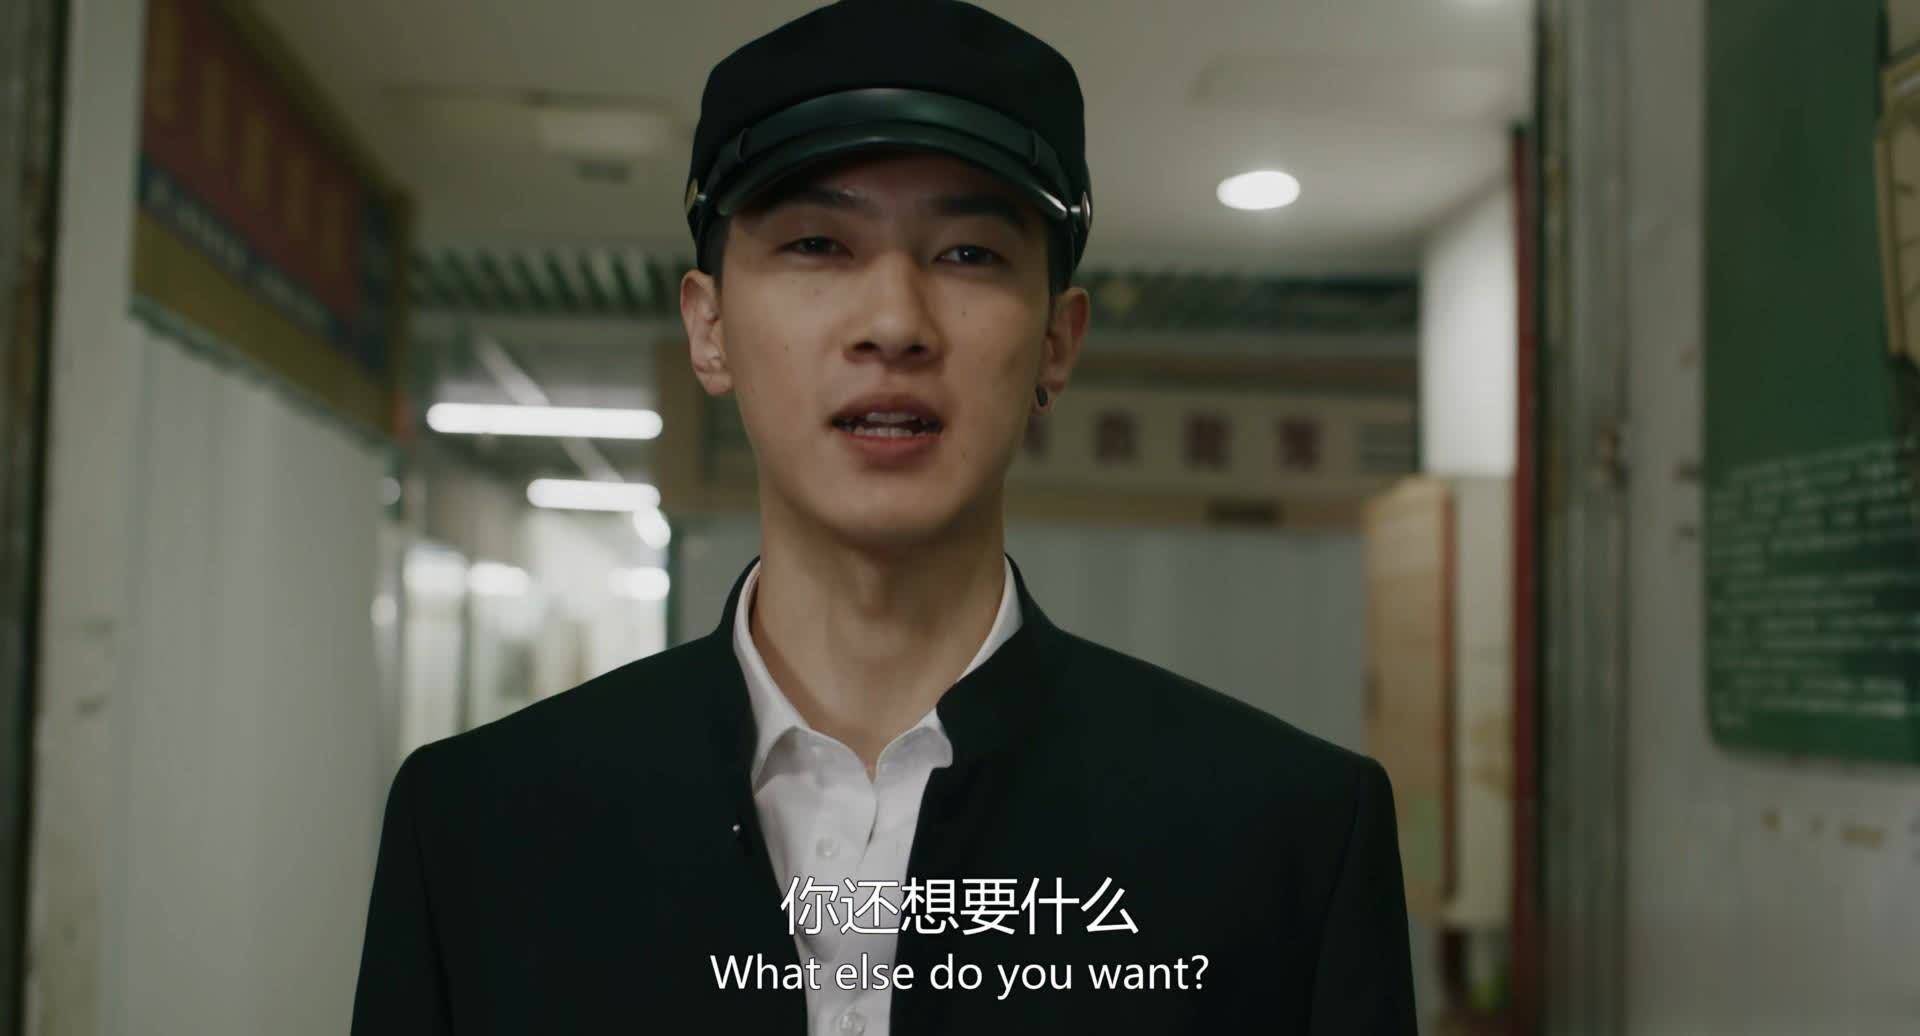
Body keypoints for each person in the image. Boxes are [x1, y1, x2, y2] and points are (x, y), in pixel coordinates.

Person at [350, 2, 1417, 1033]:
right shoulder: (478, 826)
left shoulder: (1287, 839)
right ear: (710, 327)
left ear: (1057, 341)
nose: (895, 323)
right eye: (817, 244)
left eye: (969, 254)